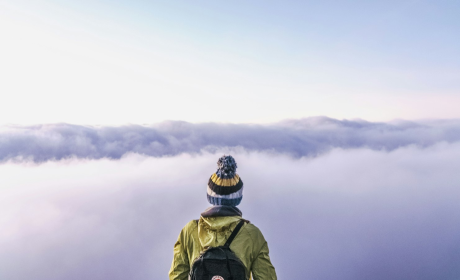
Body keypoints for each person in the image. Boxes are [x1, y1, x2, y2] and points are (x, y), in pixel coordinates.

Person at [169, 155, 277, 280]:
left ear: (210, 196)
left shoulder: (190, 230)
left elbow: (176, 276)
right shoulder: (252, 234)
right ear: (237, 199)